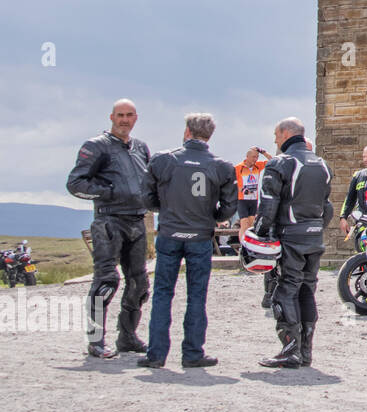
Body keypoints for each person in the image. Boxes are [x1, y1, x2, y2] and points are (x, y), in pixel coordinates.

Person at [137, 114, 237, 369]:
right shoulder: (221, 166)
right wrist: (210, 217)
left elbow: (146, 196)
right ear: (210, 135)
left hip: (170, 233)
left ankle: (156, 354)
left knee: (162, 293)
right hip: (200, 236)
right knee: (196, 295)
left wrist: (167, 210)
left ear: (187, 131)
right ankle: (192, 352)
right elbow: (228, 208)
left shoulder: (164, 160)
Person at [66, 98, 152, 359]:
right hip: (108, 220)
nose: (124, 120)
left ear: (136, 118)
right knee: (106, 281)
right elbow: (75, 183)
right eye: (120, 115)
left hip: (137, 221)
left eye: (129, 115)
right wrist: (108, 192)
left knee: (139, 283)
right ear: (111, 117)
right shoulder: (96, 146)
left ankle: (127, 337)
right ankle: (95, 340)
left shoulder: (141, 148)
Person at [253, 117, 332, 368]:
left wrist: (260, 235)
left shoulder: (281, 163)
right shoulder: (321, 164)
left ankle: (290, 351)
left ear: (287, 133)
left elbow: (268, 204)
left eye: (276, 134)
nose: (275, 139)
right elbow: (327, 206)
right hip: (314, 236)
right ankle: (305, 352)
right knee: (307, 290)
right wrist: (317, 227)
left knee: (284, 291)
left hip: (290, 236)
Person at [235, 147, 268, 240]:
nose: (255, 159)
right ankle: (242, 245)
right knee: (244, 223)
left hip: (253, 199)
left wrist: (263, 152)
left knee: (250, 225)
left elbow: (273, 161)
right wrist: (243, 190)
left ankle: (247, 244)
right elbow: (233, 183)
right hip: (242, 200)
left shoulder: (258, 165)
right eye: (253, 157)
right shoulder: (238, 168)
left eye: (257, 157)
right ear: (247, 157)